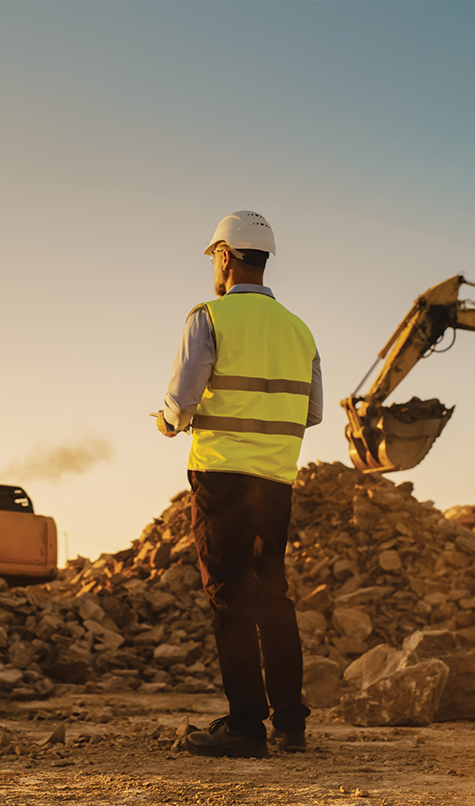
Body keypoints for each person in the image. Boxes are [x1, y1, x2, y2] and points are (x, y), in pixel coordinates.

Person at [155, 210, 323, 758]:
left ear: (224, 256)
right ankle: (291, 726)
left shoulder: (209, 316)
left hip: (222, 478)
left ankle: (246, 727)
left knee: (230, 598)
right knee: (274, 595)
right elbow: (313, 413)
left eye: (214, 259)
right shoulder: (300, 330)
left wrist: (168, 422)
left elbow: (180, 405)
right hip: (276, 481)